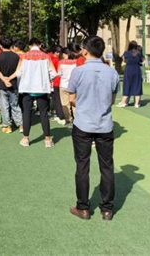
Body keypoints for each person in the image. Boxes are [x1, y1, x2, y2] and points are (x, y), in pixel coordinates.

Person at [67, 36, 119, 221]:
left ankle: (83, 207)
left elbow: (71, 98)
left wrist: (82, 102)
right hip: (104, 124)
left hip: (83, 123)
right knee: (107, 166)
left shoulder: (78, 71)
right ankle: (107, 209)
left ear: (85, 50)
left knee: (82, 165)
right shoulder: (111, 72)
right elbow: (112, 100)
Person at [11, 38, 56, 148]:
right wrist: (47, 79)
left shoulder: (24, 56)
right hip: (42, 88)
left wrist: (9, 78)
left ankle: (26, 138)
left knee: (26, 112)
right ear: (40, 45)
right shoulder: (46, 56)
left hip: (27, 88)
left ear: (29, 46)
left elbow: (18, 72)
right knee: (44, 113)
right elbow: (54, 73)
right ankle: (47, 139)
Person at [0, 37, 22, 133]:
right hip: (13, 83)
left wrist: (4, 80)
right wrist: (9, 79)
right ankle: (21, 125)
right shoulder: (16, 56)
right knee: (15, 105)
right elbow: (18, 71)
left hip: (2, 84)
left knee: (4, 106)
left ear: (1, 46)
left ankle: (7, 125)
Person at [119, 41, 143, 108]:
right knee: (137, 85)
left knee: (127, 85)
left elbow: (124, 60)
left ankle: (123, 102)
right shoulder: (139, 53)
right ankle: (137, 104)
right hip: (137, 70)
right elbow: (141, 60)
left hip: (129, 70)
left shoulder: (126, 53)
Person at [58, 48, 78, 125]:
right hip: (74, 85)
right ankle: (77, 119)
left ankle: (68, 119)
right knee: (74, 103)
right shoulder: (75, 62)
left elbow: (59, 73)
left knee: (65, 104)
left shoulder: (61, 62)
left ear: (64, 54)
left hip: (63, 85)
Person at [50, 46, 67, 125]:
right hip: (61, 81)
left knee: (57, 100)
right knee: (59, 99)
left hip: (56, 81)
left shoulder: (54, 60)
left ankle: (60, 115)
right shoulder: (61, 60)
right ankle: (61, 115)